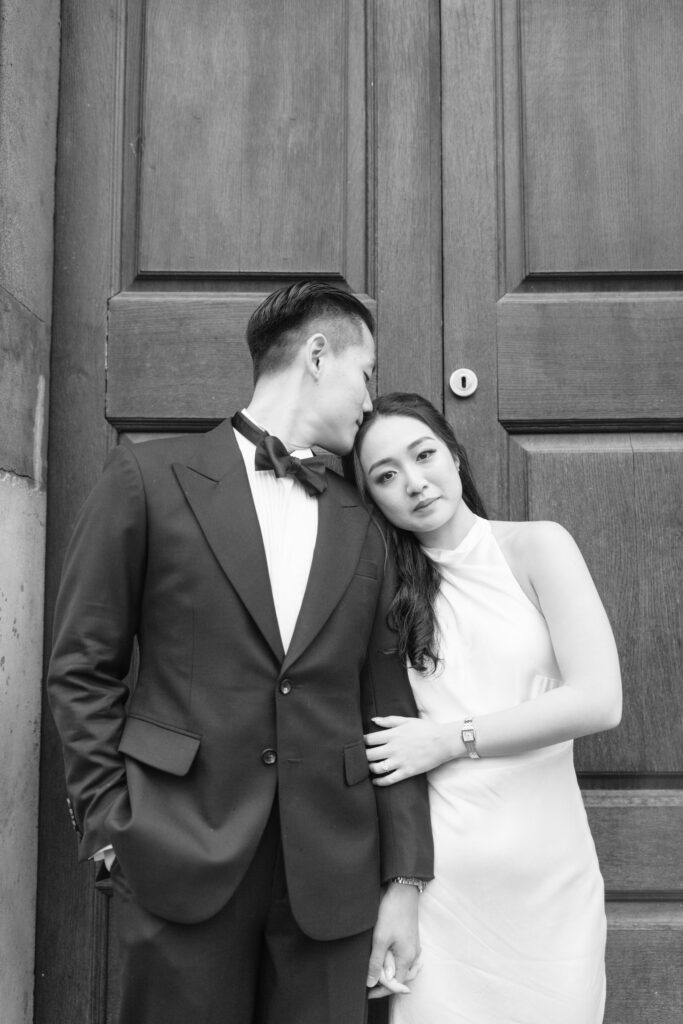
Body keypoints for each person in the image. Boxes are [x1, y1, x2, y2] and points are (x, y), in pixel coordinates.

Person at [47, 285, 433, 1024]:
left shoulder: (364, 523)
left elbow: (389, 706)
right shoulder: (146, 479)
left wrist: (404, 880)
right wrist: (108, 829)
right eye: (366, 373)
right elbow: (81, 667)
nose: (368, 399)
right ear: (318, 356)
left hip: (334, 876)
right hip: (176, 852)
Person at [354, 393, 622, 1024]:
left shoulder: (537, 548)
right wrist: (399, 889)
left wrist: (449, 739)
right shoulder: (383, 597)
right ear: (372, 499)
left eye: (423, 455)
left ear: (454, 451)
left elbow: (599, 699)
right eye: (386, 477)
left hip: (549, 882)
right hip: (442, 895)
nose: (414, 484)